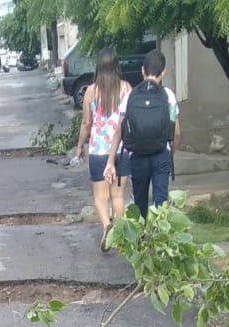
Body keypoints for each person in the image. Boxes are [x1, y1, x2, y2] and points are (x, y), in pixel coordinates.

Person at [106, 49, 179, 220]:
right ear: (163, 72)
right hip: (161, 154)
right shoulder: (168, 96)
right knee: (161, 202)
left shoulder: (131, 95)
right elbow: (177, 131)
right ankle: (159, 241)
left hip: (137, 156)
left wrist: (111, 160)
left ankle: (140, 241)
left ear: (142, 71)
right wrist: (171, 153)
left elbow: (119, 129)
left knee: (140, 204)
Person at [76, 48, 131, 251]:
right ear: (117, 66)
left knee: (101, 197)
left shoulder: (92, 91)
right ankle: (120, 235)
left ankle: (107, 226)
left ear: (98, 67)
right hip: (121, 150)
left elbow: (85, 123)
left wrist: (80, 145)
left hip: (99, 150)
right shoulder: (126, 88)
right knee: (118, 195)